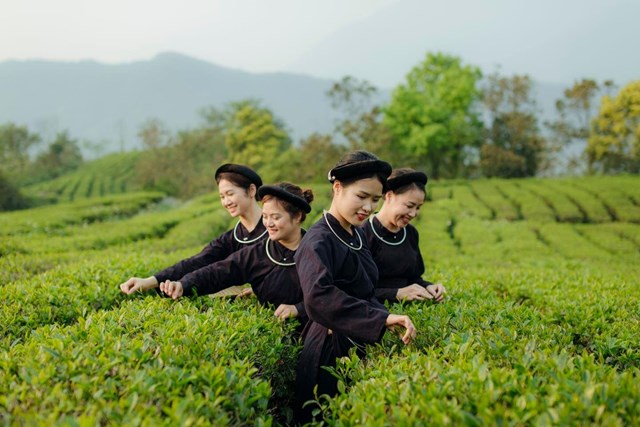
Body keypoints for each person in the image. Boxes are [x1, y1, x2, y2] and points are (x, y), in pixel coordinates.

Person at [293, 151, 417, 423]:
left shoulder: (356, 233)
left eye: (374, 199)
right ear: (338, 188)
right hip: (328, 352)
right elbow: (318, 297)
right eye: (361, 197)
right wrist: (380, 318)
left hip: (356, 343)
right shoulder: (318, 240)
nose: (369, 207)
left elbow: (367, 288)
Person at [155, 183, 313, 325]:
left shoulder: (317, 251)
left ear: (297, 216)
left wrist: (299, 308)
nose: (269, 224)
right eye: (265, 217)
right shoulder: (257, 253)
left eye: (276, 217)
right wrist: (183, 285)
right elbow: (219, 271)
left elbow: (334, 293)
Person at [119, 163, 267, 295]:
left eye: (230, 194)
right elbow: (198, 261)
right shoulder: (233, 237)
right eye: (222, 196)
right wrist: (150, 281)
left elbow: (227, 269)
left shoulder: (275, 230)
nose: (226, 202)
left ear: (251, 190)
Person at [361, 168, 446, 303]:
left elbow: (413, 278)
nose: (413, 214)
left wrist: (429, 287)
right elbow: (357, 289)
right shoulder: (363, 232)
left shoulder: (411, 233)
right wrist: (396, 293)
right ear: (389, 196)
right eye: (409, 205)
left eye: (418, 207)